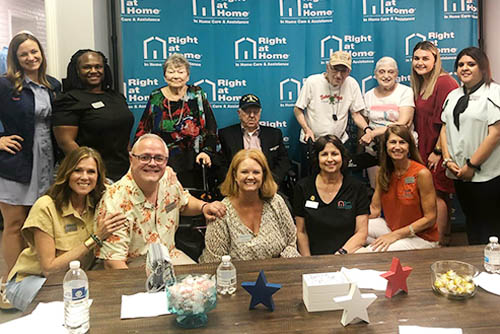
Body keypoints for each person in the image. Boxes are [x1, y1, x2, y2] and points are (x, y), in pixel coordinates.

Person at [1, 147, 126, 311]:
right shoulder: (46, 206)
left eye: (91, 172)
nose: (84, 177)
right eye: (78, 170)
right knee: (75, 304)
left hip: (74, 280)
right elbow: (49, 269)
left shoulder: (99, 202)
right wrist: (95, 238)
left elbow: (126, 187)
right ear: (67, 173)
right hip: (33, 280)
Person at [96, 134, 226, 268]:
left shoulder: (168, 179)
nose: (152, 163)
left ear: (166, 161)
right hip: (133, 266)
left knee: (201, 281)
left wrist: (204, 206)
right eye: (145, 157)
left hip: (170, 256)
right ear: (131, 159)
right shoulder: (114, 200)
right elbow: (113, 263)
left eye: (159, 158)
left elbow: (183, 202)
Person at [0, 32, 61, 279]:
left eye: (34, 52)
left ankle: (35, 275)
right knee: (14, 224)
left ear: (41, 54)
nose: (30, 57)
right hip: (16, 161)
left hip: (48, 160)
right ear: (15, 58)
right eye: (23, 54)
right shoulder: (4, 85)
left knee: (40, 223)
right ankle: (12, 280)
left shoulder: (53, 85)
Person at [440, 47, 500, 245]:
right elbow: (444, 128)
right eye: (460, 64)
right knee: (472, 223)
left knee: (490, 228)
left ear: (483, 68)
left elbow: (496, 134)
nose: (464, 68)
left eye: (471, 64)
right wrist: (447, 159)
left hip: (487, 176)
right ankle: (477, 268)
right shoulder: (453, 95)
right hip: (460, 174)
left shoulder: (494, 93)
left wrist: (472, 166)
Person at [199, 149, 300, 263]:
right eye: (244, 172)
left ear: (263, 175)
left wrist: (277, 268)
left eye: (256, 172)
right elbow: (214, 262)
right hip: (235, 277)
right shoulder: (221, 212)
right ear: (235, 176)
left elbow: (291, 243)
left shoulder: (276, 202)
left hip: (277, 274)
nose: (250, 177)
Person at [134, 53, 217, 188]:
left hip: (194, 160)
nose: (176, 76)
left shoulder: (197, 94)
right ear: (165, 76)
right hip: (161, 162)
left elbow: (211, 125)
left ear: (187, 76)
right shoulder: (156, 97)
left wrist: (206, 152)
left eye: (180, 72)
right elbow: (144, 129)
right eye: (171, 72)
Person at [52, 49, 134, 182]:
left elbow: (123, 133)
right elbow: (66, 142)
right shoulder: (69, 100)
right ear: (77, 71)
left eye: (98, 66)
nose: (94, 71)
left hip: (124, 173)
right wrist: (92, 171)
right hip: (91, 175)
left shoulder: (116, 97)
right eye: (87, 67)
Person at [410, 41, 459, 246]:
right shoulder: (424, 83)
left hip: (439, 149)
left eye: (425, 58)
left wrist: (438, 152)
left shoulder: (445, 83)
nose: (420, 63)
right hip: (425, 148)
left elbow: (449, 121)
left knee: (438, 194)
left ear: (436, 60)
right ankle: (441, 239)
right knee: (437, 194)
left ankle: (439, 243)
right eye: (417, 58)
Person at [294, 51, 372, 175]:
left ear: (349, 72)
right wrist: (306, 129)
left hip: (339, 143)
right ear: (327, 67)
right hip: (313, 142)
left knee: (340, 181)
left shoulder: (351, 84)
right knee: (311, 182)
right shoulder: (313, 82)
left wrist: (367, 129)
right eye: (335, 69)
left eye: (344, 71)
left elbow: (356, 114)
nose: (339, 75)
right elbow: (298, 109)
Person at [293, 135, 370, 256]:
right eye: (324, 154)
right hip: (313, 259)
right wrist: (307, 262)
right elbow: (301, 231)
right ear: (317, 158)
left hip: (347, 256)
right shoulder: (303, 187)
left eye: (334, 154)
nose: (330, 159)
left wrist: (340, 255)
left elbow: (361, 232)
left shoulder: (357, 188)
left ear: (342, 157)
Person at [366, 125, 439, 252]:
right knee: (353, 228)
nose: (397, 147)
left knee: (369, 252)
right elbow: (375, 209)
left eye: (402, 142)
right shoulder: (382, 173)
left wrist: (395, 235)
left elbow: (430, 218)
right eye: (393, 142)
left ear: (409, 147)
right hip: (392, 228)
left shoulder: (421, 173)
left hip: (421, 237)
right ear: (386, 146)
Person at [359, 57, 416, 189]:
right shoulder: (368, 95)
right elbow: (364, 126)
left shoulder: (405, 92)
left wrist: (374, 132)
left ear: (396, 74)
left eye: (390, 72)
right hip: (374, 150)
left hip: (399, 148)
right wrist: (361, 149)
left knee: (400, 188)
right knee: (377, 188)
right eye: (382, 72)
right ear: (375, 74)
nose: (386, 76)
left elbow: (402, 124)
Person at [218, 93, 290, 185]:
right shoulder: (226, 135)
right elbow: (221, 165)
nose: (252, 115)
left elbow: (284, 161)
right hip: (237, 186)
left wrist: (270, 182)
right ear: (239, 113)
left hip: (268, 184)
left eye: (255, 112)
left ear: (260, 113)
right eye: (247, 112)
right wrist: (234, 182)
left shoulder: (274, 134)